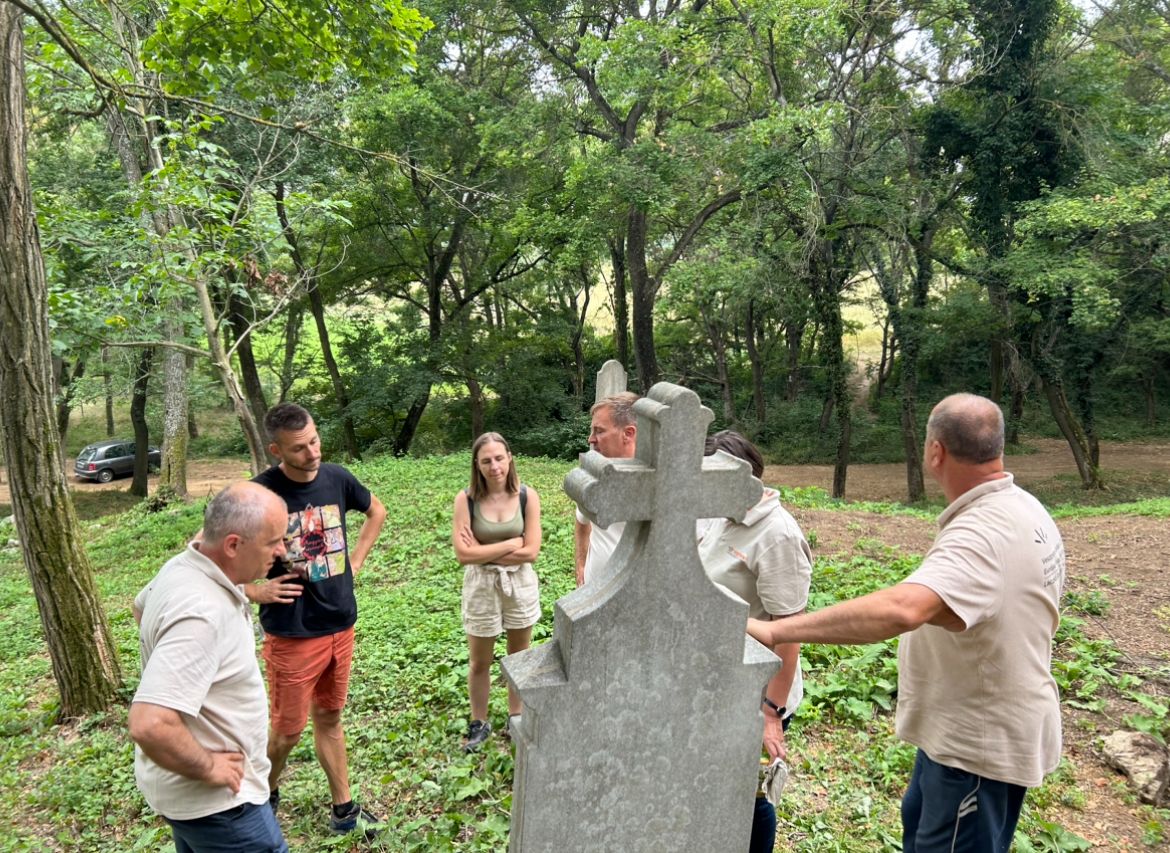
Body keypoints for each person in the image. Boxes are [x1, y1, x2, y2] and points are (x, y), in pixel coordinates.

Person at [747, 394, 1066, 852]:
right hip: (967, 736)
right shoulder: (1024, 509)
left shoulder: (983, 533)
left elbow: (902, 609)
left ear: (934, 451)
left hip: (975, 750)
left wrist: (777, 630)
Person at [247, 403, 387, 836]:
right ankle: (262, 797)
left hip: (340, 624)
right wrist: (254, 589)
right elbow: (207, 559)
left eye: (314, 441)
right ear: (276, 450)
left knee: (330, 716)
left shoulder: (338, 478)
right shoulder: (257, 496)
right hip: (292, 634)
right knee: (287, 732)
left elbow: (376, 512)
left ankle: (344, 810)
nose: (312, 453)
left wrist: (356, 561)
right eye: (299, 448)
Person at [129, 482, 290, 852]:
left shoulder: (181, 567)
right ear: (233, 545)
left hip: (191, 803)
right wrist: (208, 767)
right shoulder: (202, 612)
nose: (282, 551)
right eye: (273, 542)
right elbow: (149, 723)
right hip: (220, 805)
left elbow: (141, 608)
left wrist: (186, 670)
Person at [699, 430, 812, 853]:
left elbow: (790, 633)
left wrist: (771, 712)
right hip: (718, 681)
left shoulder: (777, 534)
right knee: (717, 782)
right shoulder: (719, 516)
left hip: (757, 690)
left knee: (750, 793)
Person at [452, 432, 543, 752]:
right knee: (480, 661)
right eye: (486, 460)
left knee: (519, 655)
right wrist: (508, 544)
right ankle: (479, 722)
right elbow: (463, 556)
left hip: (519, 583)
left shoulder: (526, 497)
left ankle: (516, 715)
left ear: (510, 458)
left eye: (499, 458)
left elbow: (531, 551)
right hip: (481, 585)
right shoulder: (466, 500)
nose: (494, 466)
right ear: (477, 465)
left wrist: (483, 548)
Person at [574, 391, 639, 586]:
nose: (590, 439)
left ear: (628, 433)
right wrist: (581, 564)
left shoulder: (657, 478)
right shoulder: (595, 472)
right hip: (594, 590)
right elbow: (581, 521)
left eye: (599, 431)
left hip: (637, 592)